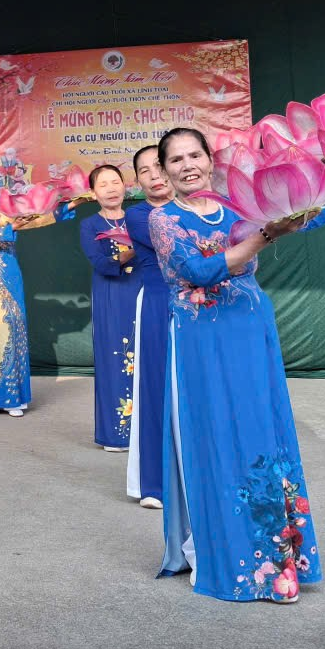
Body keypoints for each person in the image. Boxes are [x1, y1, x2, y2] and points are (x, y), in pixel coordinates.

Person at [150, 127, 322, 603]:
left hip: (250, 330)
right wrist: (266, 235)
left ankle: (278, 560)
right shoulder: (163, 219)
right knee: (216, 438)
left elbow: (315, 213)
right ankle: (226, 556)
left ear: (210, 159)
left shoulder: (239, 205)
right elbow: (199, 271)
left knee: (261, 432)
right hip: (201, 341)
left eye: (195, 155)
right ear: (164, 170)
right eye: (176, 159)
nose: (187, 165)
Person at [0, 173, 71, 417]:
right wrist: (13, 226)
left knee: (13, 334)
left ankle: (13, 400)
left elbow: (39, 219)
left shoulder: (7, 216)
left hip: (11, 282)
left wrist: (73, 203)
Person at [124, 147, 174, 508]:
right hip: (158, 303)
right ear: (138, 182)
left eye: (159, 165)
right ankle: (155, 483)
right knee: (156, 387)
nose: (154, 175)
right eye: (144, 171)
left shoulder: (205, 205)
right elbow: (175, 245)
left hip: (204, 303)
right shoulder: (139, 215)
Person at [79, 165, 138, 451]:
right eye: (103, 184)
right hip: (111, 296)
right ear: (93, 193)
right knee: (115, 358)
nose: (111, 189)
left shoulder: (139, 218)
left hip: (143, 292)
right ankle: (117, 434)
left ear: (125, 186)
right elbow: (101, 263)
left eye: (115, 182)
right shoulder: (90, 225)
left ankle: (147, 432)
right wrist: (134, 251)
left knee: (147, 358)